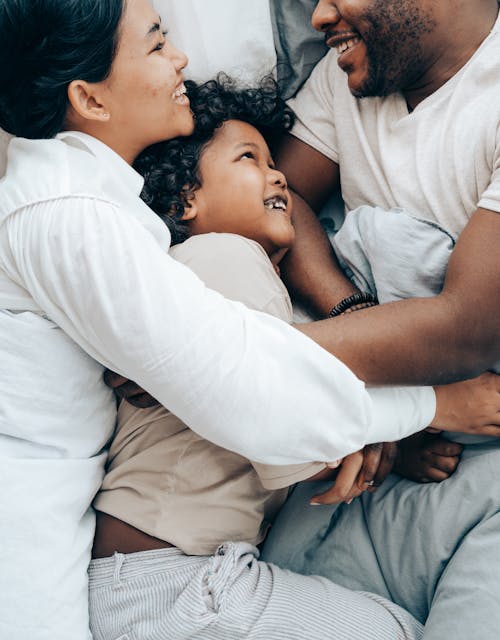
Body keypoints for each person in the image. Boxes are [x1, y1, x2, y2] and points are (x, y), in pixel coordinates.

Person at [3, 2, 492, 639]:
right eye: (156, 45)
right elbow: (246, 393)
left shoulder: (106, 211)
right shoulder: (71, 218)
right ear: (88, 99)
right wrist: (426, 408)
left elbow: (229, 365)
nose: (181, 57)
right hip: (68, 583)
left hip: (137, 565)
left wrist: (188, 364)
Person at [260, 1, 500, 638]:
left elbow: (466, 328)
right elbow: (274, 198)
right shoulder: (348, 79)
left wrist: (230, 359)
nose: (318, 15)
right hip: (371, 453)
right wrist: (350, 314)